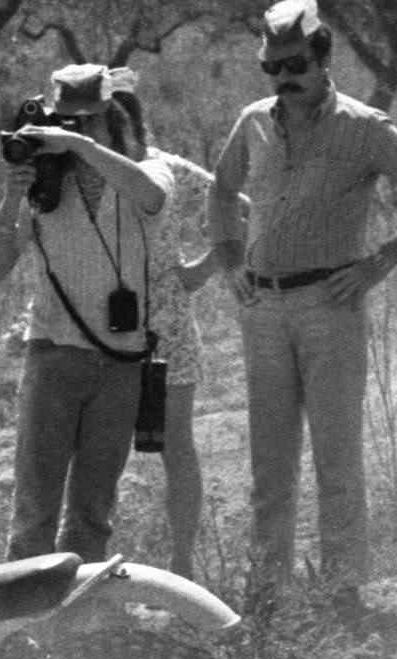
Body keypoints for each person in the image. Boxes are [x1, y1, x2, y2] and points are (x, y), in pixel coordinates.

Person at [208, 0, 397, 629]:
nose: (283, 78)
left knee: (336, 458)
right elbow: (221, 188)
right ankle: (267, 600)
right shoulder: (253, 121)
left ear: (323, 60)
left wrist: (382, 261)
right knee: (269, 465)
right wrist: (229, 258)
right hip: (262, 308)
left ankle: (342, 598)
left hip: (330, 306)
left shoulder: (364, 126)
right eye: (272, 67)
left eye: (294, 65)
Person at [0, 63, 172, 566]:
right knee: (34, 514)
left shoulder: (146, 168)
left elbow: (152, 197)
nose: (74, 130)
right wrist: (12, 196)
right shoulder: (45, 184)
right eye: (65, 120)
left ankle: (80, 611)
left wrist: (82, 146)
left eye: (86, 120)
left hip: (121, 360)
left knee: (92, 514)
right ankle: (24, 609)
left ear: (111, 119)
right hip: (54, 354)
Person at [114, 88, 228, 580]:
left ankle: (182, 564)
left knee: (175, 445)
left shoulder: (169, 170)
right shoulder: (89, 174)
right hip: (102, 328)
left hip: (168, 327)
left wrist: (204, 268)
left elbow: (240, 207)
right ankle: (102, 572)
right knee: (101, 452)